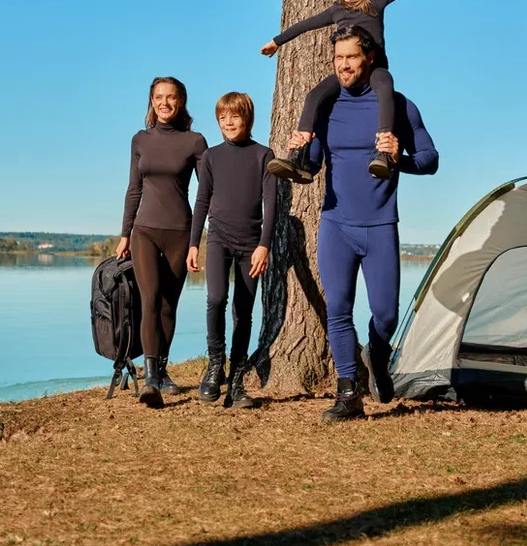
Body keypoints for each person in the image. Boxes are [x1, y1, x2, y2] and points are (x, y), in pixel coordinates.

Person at [286, 25, 439, 422]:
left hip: (380, 225)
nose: (343, 66)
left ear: (368, 58)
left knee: (386, 313)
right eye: (338, 59)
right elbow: (315, 164)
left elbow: (430, 160)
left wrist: (397, 158)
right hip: (336, 223)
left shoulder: (400, 107)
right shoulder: (328, 106)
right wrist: (300, 155)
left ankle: (377, 353)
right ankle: (349, 392)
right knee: (337, 306)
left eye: (351, 57)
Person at [261, 0, 457, 182]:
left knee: (385, 86)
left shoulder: (376, 0)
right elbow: (306, 24)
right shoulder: (336, 11)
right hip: (349, 72)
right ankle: (299, 154)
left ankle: (383, 149)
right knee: (314, 95)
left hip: (375, 70)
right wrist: (277, 41)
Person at [117, 76, 208, 408]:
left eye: (170, 97)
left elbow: (205, 194)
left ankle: (162, 370)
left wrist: (197, 238)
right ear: (151, 101)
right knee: (150, 298)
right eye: (158, 97)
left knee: (170, 304)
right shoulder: (140, 140)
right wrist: (125, 233)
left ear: (180, 101)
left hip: (180, 232)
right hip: (144, 231)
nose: (164, 103)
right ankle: (151, 378)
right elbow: (134, 189)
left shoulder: (195, 141)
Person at [186, 92, 277, 409]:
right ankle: (215, 367)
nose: (228, 121)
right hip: (219, 239)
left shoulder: (264, 156)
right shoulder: (211, 157)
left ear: (247, 118)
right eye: (223, 117)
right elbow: (201, 201)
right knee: (215, 299)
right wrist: (194, 242)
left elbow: (271, 204)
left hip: (251, 245)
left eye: (234, 116)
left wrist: (264, 244)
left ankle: (236, 381)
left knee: (244, 313)